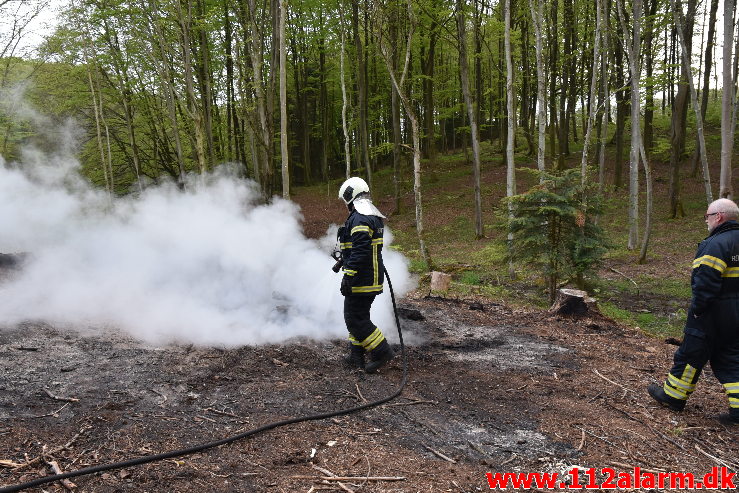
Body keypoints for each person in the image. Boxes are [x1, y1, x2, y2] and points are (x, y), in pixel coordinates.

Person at [648, 198, 739, 424]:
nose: (706, 221)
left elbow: (706, 283)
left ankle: (673, 397)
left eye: (707, 217)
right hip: (736, 313)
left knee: (691, 354)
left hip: (713, 312)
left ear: (718, 216)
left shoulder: (715, 244)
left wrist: (698, 309)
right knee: (731, 358)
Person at [335, 177, 394, 373]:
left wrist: (348, 275)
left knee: (355, 319)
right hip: (369, 276)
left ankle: (381, 351)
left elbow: (360, 252)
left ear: (350, 196)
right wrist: (344, 260)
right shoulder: (370, 215)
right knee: (357, 316)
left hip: (362, 279)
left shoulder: (359, 217)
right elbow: (361, 248)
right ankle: (356, 356)